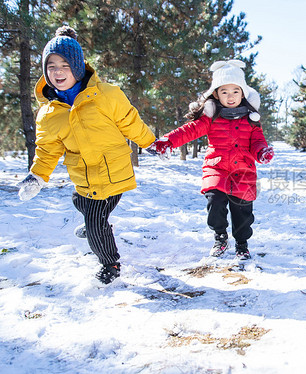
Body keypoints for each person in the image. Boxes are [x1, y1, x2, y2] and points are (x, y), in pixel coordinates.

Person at [17, 26, 156, 284]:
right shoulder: (48, 114)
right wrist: (37, 175)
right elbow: (47, 149)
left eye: (65, 65)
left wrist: (149, 142)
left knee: (95, 221)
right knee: (81, 204)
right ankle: (97, 228)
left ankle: (110, 262)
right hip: (84, 176)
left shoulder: (107, 96)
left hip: (112, 172)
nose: (58, 72)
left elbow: (130, 122)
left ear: (79, 67)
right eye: (51, 66)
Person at [148, 60, 274, 260]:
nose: (230, 96)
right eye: (224, 92)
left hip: (244, 170)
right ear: (215, 94)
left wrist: (262, 152)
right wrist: (168, 141)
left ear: (243, 93)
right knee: (215, 202)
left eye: (235, 91)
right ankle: (220, 237)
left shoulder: (251, 120)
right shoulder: (211, 117)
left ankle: (242, 245)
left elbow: (257, 141)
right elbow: (189, 130)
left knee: (243, 213)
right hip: (217, 168)